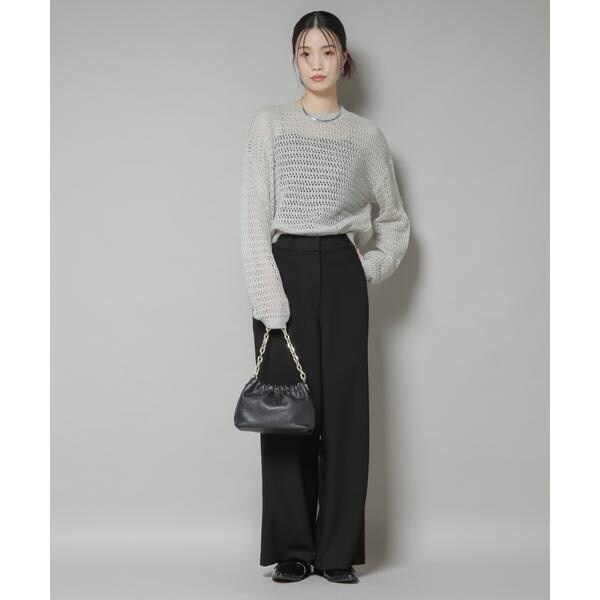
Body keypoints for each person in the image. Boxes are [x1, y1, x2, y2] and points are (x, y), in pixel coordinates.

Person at [240, 10, 410, 585]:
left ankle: (336, 551)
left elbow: (394, 221)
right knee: (286, 414)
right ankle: (292, 548)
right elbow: (253, 218)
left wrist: (366, 267)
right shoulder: (269, 124)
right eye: (306, 52)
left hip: (341, 271)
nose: (317, 63)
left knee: (344, 414)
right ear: (294, 58)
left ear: (344, 58)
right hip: (282, 267)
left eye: (327, 51)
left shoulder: (366, 136)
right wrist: (269, 300)